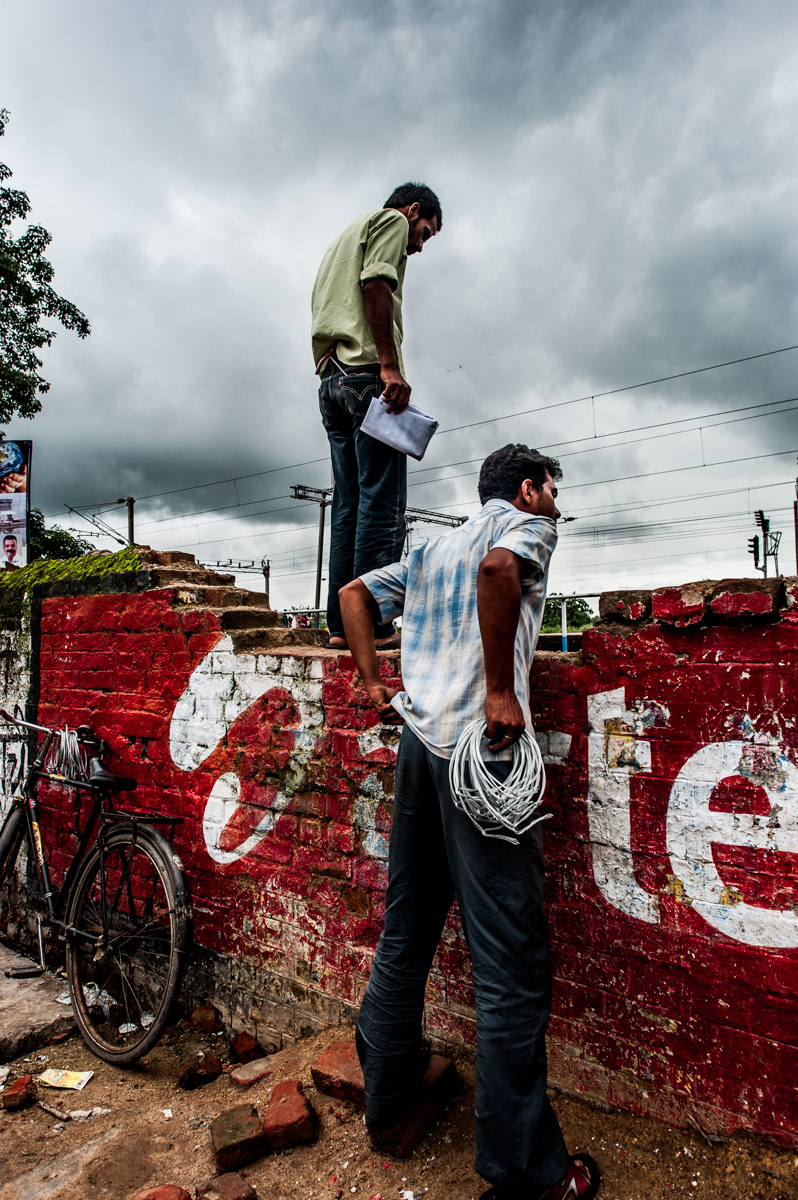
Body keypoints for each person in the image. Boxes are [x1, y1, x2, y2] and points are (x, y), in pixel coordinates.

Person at [339, 444, 601, 1200]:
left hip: (420, 748)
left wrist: (369, 682)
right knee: (511, 965)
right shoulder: (524, 529)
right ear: (527, 489)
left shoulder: (430, 548)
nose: (553, 502)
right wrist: (499, 691)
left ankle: (388, 1101)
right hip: (479, 755)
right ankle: (526, 1171)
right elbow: (498, 572)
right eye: (551, 489)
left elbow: (354, 594)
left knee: (407, 929)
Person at [312, 182, 442, 651]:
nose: (420, 245)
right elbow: (376, 284)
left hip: (331, 381)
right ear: (413, 210)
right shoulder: (389, 221)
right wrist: (389, 365)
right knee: (383, 504)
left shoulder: (342, 239)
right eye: (425, 231)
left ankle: (341, 626)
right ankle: (373, 622)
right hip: (367, 378)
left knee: (348, 504)